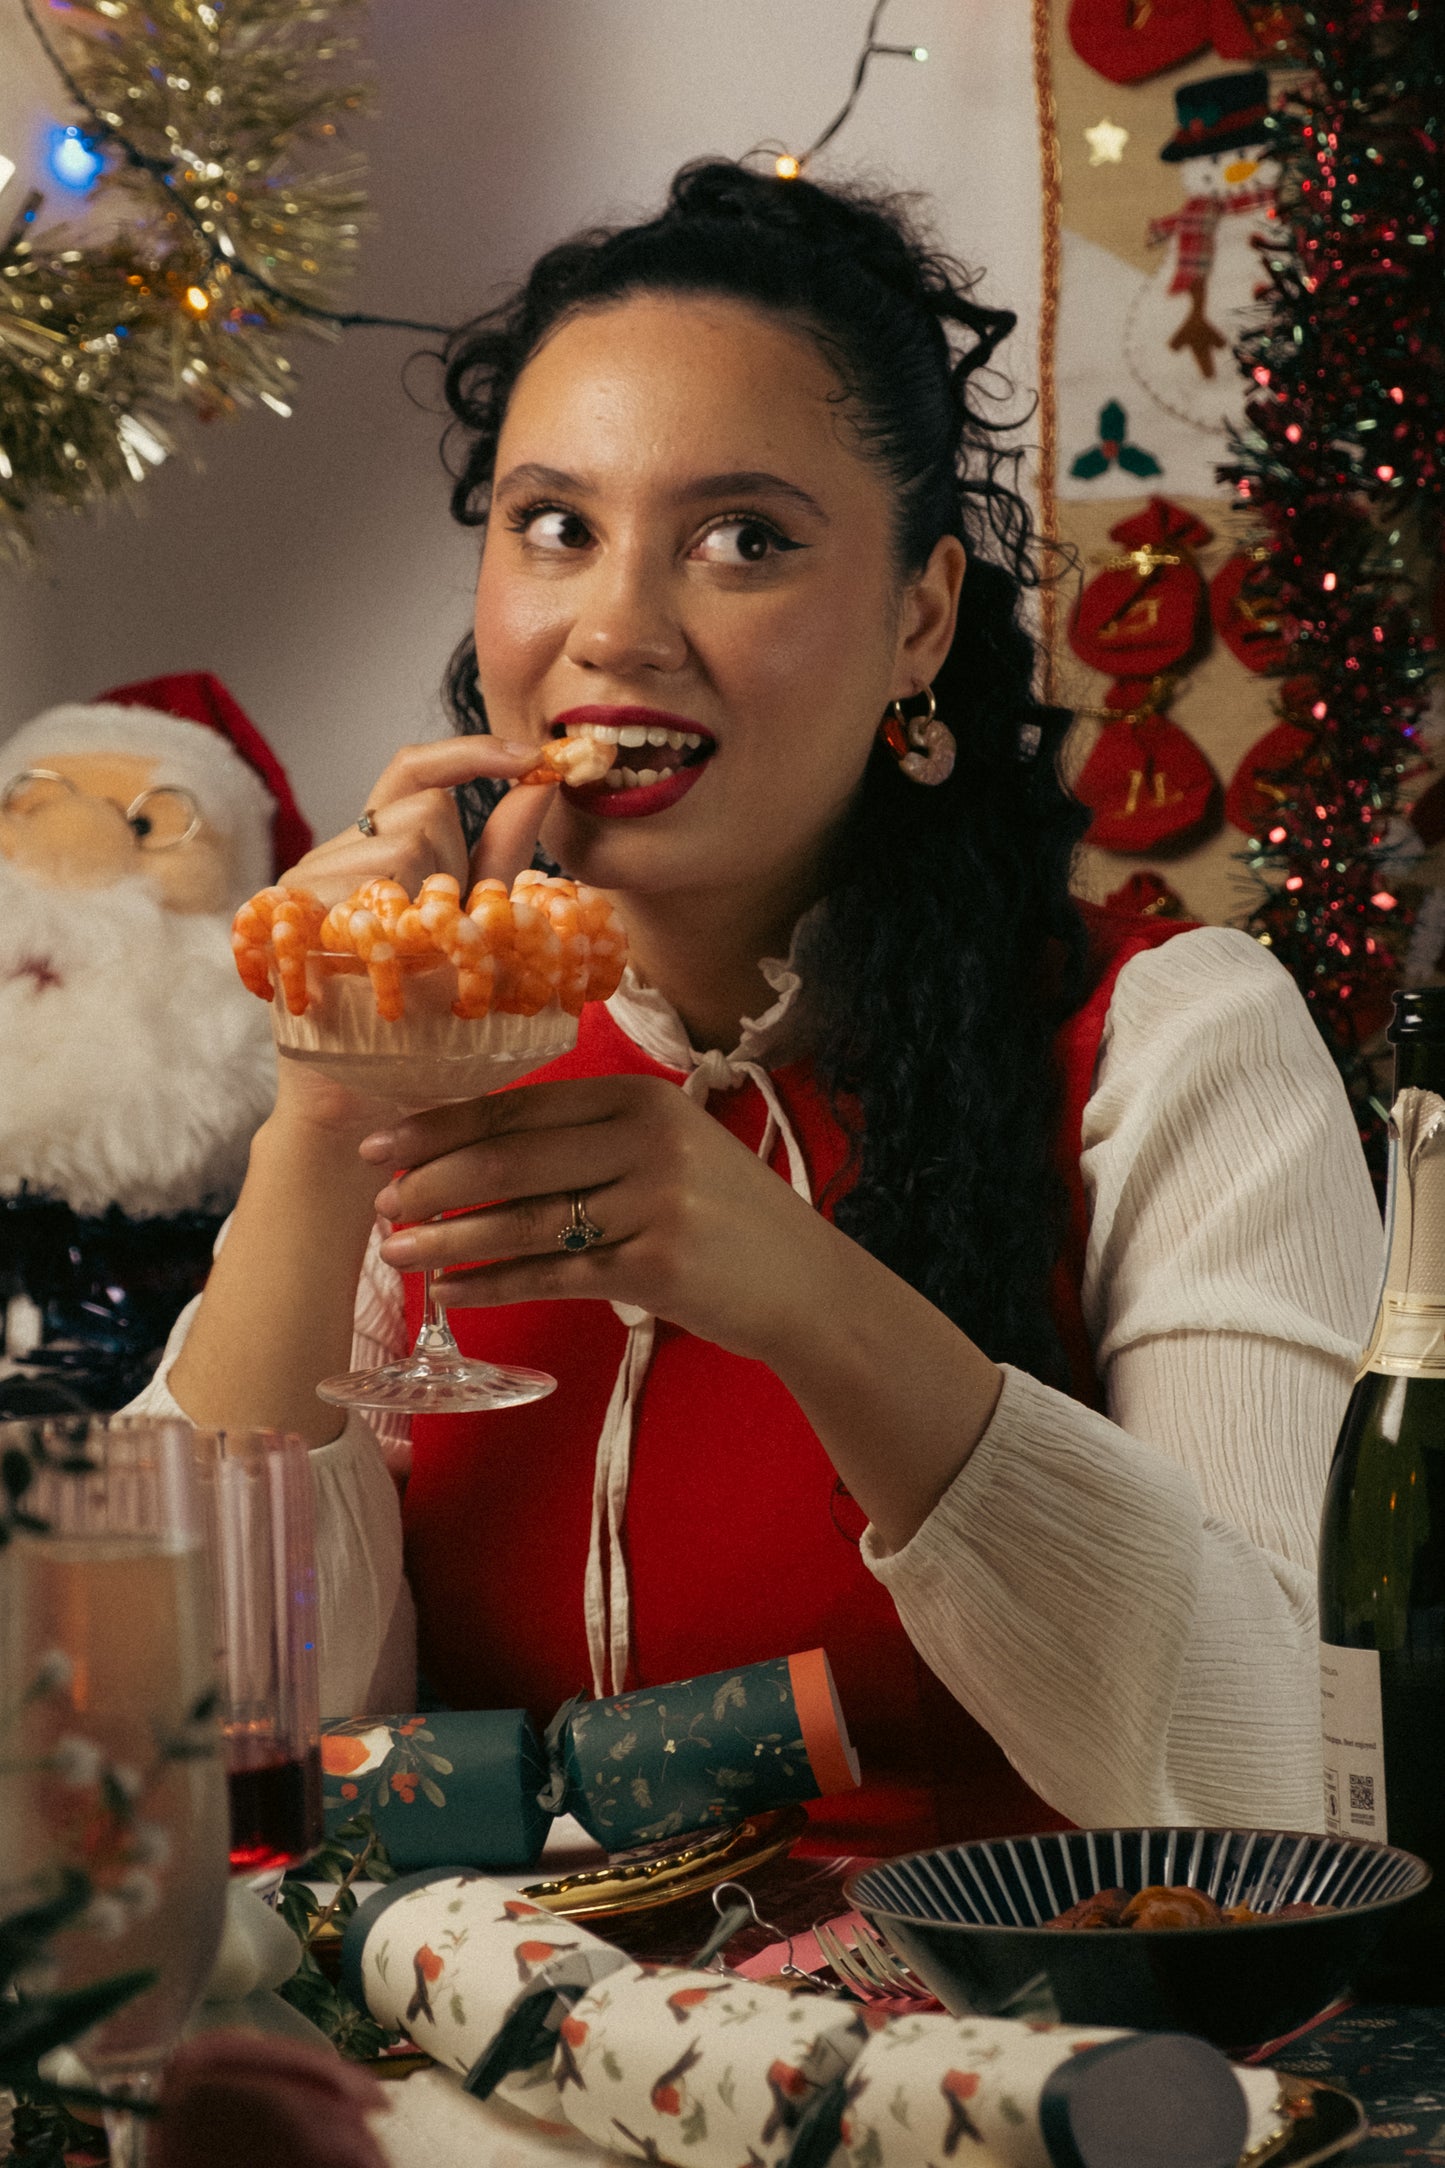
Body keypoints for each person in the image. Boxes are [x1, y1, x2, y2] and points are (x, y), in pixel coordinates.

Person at [128, 162, 1381, 1851]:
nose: (616, 628)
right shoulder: (433, 1055)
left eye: (744, 541)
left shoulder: (1165, 1046)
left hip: (992, 2014)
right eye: (554, 525)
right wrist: (323, 1116)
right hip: (478, 2017)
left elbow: (1293, 1790)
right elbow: (169, 1771)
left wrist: (804, 1294)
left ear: (918, 619)